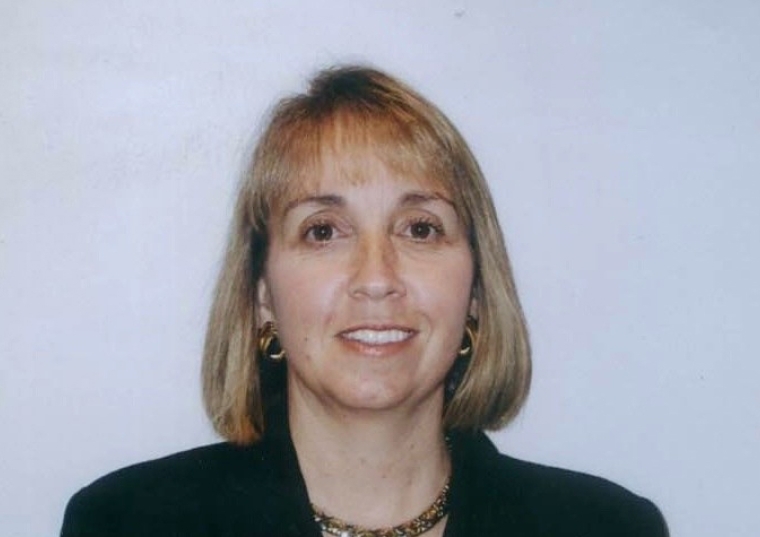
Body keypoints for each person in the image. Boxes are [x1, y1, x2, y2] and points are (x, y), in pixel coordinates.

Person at [61, 65, 668, 537]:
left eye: (420, 229)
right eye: (323, 231)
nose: (377, 278)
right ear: (262, 295)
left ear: (477, 293)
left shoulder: (608, 528)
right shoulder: (127, 522)